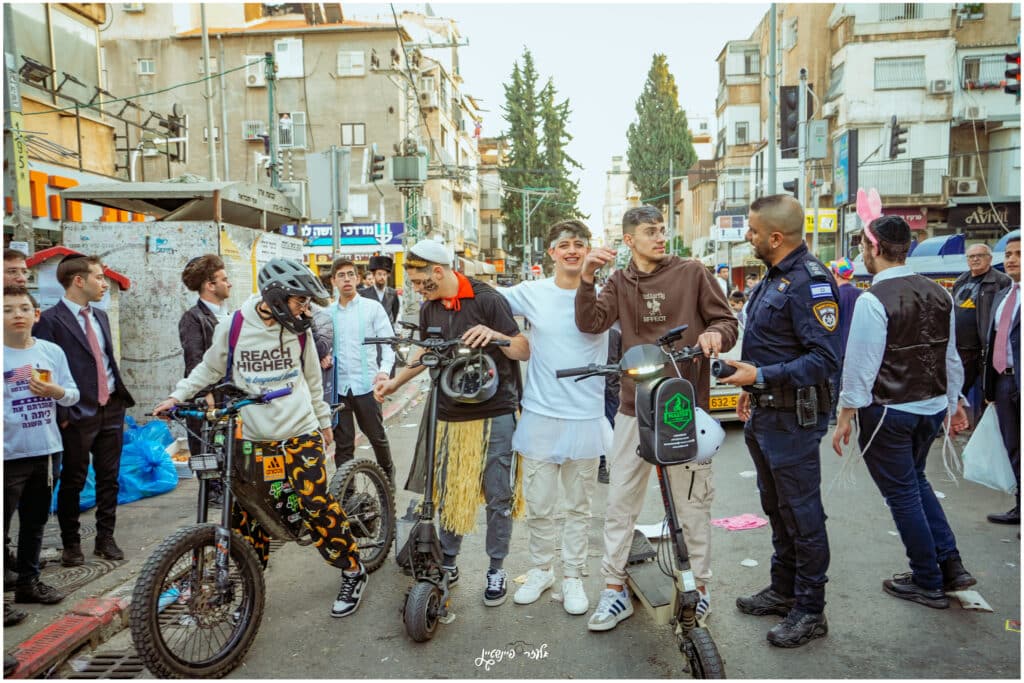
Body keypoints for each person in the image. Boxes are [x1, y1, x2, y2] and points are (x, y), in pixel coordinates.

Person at [153, 258, 369, 618]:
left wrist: (322, 421)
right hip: (255, 439)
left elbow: (312, 379)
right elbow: (208, 367)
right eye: (300, 301)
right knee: (251, 513)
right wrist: (177, 396)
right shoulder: (234, 325)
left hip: (299, 433)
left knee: (314, 504)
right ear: (278, 296)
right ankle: (249, 586)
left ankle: (352, 568)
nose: (306, 309)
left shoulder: (299, 330)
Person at [574, 205, 738, 632]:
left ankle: (698, 589)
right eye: (650, 232)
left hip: (684, 406)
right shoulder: (620, 280)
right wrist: (587, 277)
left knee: (692, 504)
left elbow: (726, 320)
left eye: (662, 230)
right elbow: (591, 321)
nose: (660, 237)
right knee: (620, 502)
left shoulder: (692, 272)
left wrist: (714, 334)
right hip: (633, 408)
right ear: (630, 240)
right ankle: (614, 590)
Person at [374, 239, 530, 607]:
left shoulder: (487, 299)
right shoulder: (430, 308)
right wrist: (394, 382)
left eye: (419, 280)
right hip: (450, 413)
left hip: (496, 411)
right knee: (451, 495)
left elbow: (522, 348)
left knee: (498, 494)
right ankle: (448, 562)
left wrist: (497, 336)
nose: (415, 288)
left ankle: (495, 567)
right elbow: (426, 353)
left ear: (438, 271)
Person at [833, 215, 976, 610]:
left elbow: (860, 366)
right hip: (928, 406)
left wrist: (846, 416)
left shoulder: (872, 299)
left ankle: (928, 578)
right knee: (915, 483)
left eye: (863, 244)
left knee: (903, 494)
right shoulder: (938, 293)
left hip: (889, 411)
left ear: (874, 248)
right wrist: (952, 402)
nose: (863, 251)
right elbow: (949, 356)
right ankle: (950, 565)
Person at [718, 194, 839, 648]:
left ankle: (810, 609)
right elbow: (767, 342)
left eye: (751, 231)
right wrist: (753, 388)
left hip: (795, 419)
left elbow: (824, 360)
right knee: (776, 508)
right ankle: (783, 589)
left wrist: (763, 376)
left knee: (802, 514)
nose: (746, 237)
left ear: (774, 236)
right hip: (766, 411)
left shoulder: (811, 282)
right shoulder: (773, 278)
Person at [499, 220, 610, 616]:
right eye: (564, 245)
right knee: (541, 505)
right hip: (541, 416)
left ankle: (574, 576)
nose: (572, 251)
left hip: (585, 417)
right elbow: (485, 301)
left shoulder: (604, 294)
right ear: (551, 252)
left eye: (579, 244)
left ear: (588, 250)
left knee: (579, 508)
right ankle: (541, 569)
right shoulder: (531, 292)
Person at [33, 255, 135, 566]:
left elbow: (104, 361)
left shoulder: (101, 316)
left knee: (109, 478)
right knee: (73, 480)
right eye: (98, 278)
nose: (104, 284)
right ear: (79, 281)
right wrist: (62, 416)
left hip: (110, 408)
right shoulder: (50, 321)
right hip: (76, 413)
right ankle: (71, 543)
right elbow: (44, 370)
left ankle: (106, 538)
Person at [4, 288, 79, 624]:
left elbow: (72, 394)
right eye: (7, 309)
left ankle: (28, 582)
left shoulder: (51, 352)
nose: (17, 314)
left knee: (34, 524)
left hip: (47, 450)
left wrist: (55, 391)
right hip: (8, 455)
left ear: (36, 315)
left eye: (24, 308)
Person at [324, 258, 396, 481]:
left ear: (357, 278)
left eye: (350, 274)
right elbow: (321, 344)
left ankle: (387, 476)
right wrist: (323, 357)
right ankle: (347, 493)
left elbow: (388, 343)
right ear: (333, 281)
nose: (347, 279)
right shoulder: (327, 313)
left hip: (366, 386)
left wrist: (384, 371)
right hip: (339, 389)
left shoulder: (372, 308)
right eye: (341, 275)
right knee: (344, 445)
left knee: (376, 437)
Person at [178, 255, 232, 505]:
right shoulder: (193, 318)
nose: (228, 283)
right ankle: (211, 493)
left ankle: (226, 489)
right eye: (224, 279)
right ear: (210, 285)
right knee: (207, 445)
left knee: (225, 445)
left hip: (228, 394)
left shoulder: (228, 314)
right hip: (208, 397)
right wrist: (205, 393)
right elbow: (194, 359)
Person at [983, 235, 1020, 525]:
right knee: (1013, 447)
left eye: (1019, 254)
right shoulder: (1006, 294)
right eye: (1008, 253)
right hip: (1004, 380)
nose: (1011, 259)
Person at [953, 244, 1010, 426]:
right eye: (971, 256)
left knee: (989, 393)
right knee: (955, 390)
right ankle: (951, 422)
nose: (975, 259)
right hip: (961, 348)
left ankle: (984, 432)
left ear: (990, 258)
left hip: (986, 349)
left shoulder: (1001, 281)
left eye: (980, 256)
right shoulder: (961, 280)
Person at [829, 257, 863, 423]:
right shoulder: (861, 295)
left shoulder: (833, 295)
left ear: (836, 273)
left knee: (833, 381)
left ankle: (831, 416)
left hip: (837, 346)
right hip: (857, 347)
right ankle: (856, 414)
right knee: (854, 381)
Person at [360, 255, 400, 326]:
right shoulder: (364, 293)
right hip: (370, 332)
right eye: (379, 274)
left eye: (384, 275)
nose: (382, 277)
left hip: (388, 331)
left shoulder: (393, 293)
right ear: (374, 275)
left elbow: (395, 313)